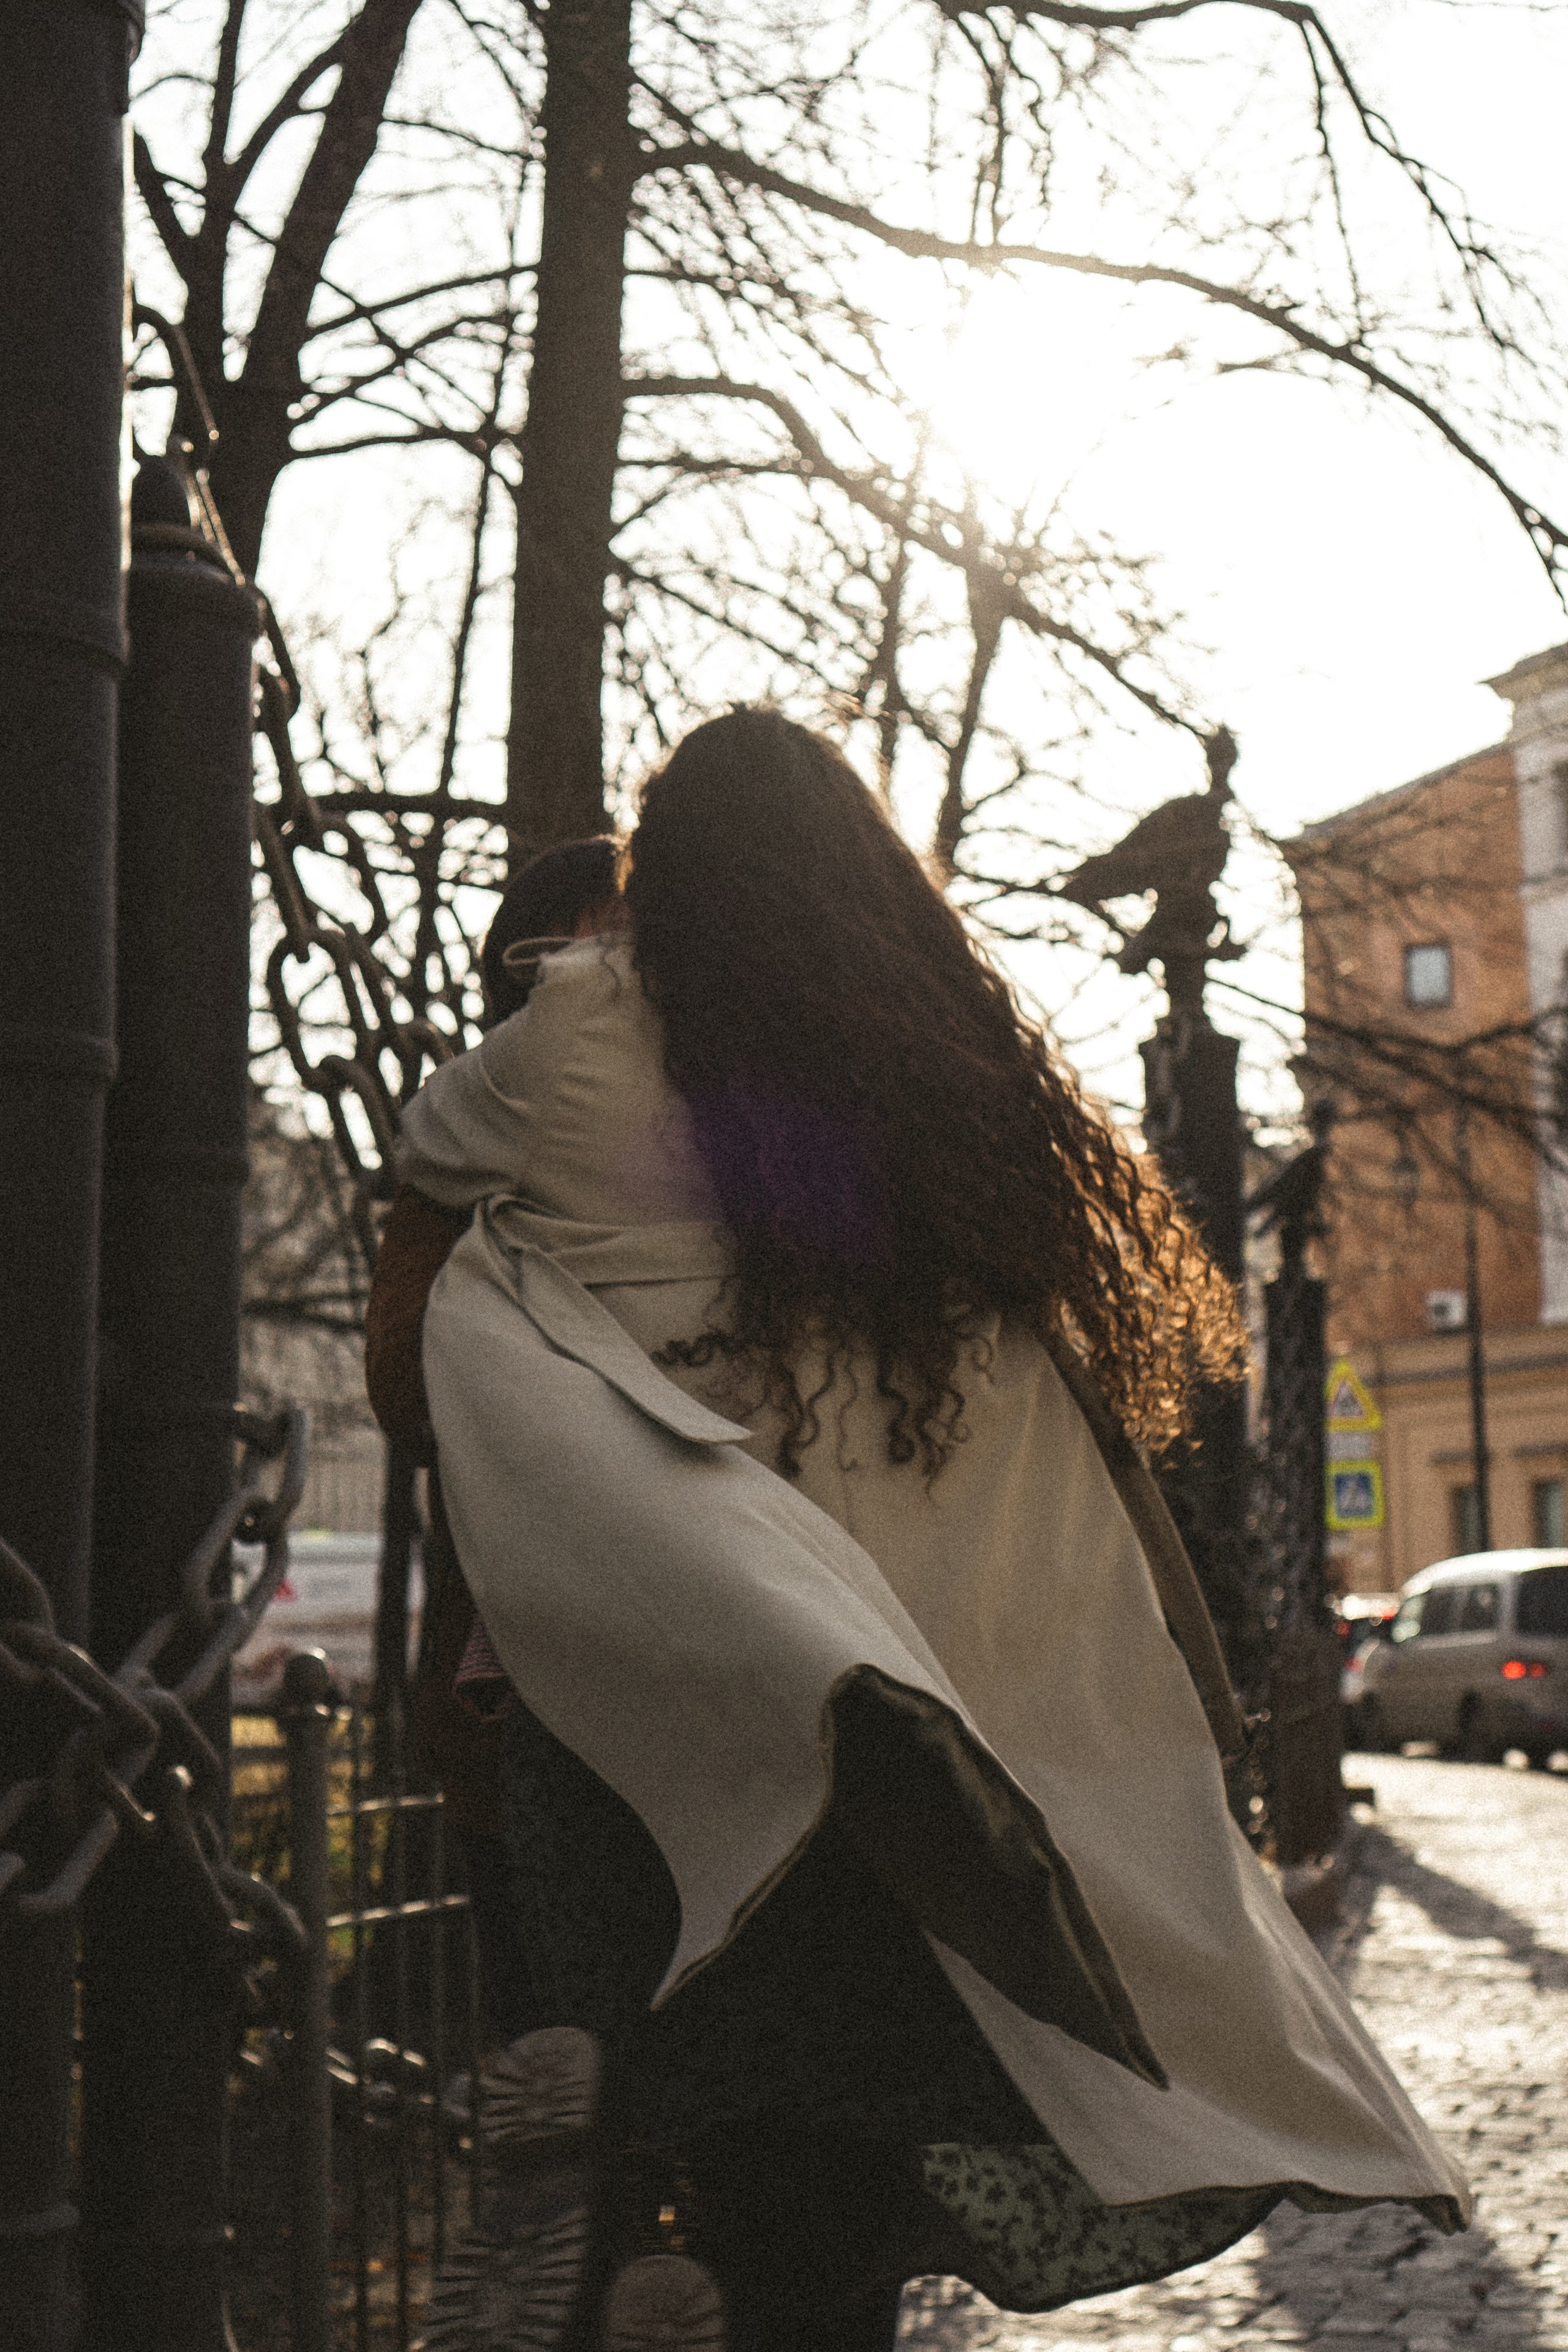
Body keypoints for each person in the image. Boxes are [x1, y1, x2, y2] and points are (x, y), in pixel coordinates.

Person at [390, 711, 1468, 2352]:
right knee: (834, 2161)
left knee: (667, 2045)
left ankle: (623, 2202)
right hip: (891, 1715)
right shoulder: (932, 1094)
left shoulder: (586, 1028)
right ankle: (713, 2253)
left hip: (660, 1675)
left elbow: (429, 1170)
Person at [364, 835, 622, 2042]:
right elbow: (407, 1387)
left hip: (702, 1691)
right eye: (600, 947)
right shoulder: (459, 1158)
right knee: (550, 2051)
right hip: (516, 1702)